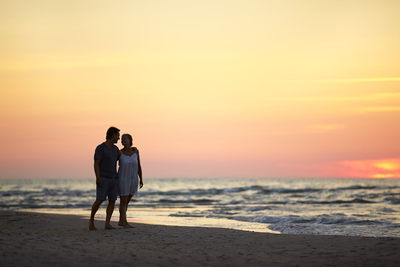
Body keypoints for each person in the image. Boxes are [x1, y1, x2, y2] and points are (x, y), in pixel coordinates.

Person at [89, 127, 121, 230]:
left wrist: (133, 149)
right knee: (99, 200)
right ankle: (91, 221)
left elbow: (123, 155)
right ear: (112, 135)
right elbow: (96, 164)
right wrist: (98, 178)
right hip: (103, 178)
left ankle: (107, 223)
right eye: (117, 136)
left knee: (112, 201)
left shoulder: (116, 149)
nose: (119, 138)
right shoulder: (100, 148)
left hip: (114, 179)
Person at [118, 133, 143, 228]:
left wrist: (141, 178)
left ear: (130, 140)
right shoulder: (119, 153)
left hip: (133, 179)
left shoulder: (136, 151)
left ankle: (121, 220)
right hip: (123, 178)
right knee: (123, 201)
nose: (123, 141)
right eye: (122, 139)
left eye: (125, 139)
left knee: (127, 201)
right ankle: (124, 222)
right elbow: (111, 163)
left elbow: (139, 165)